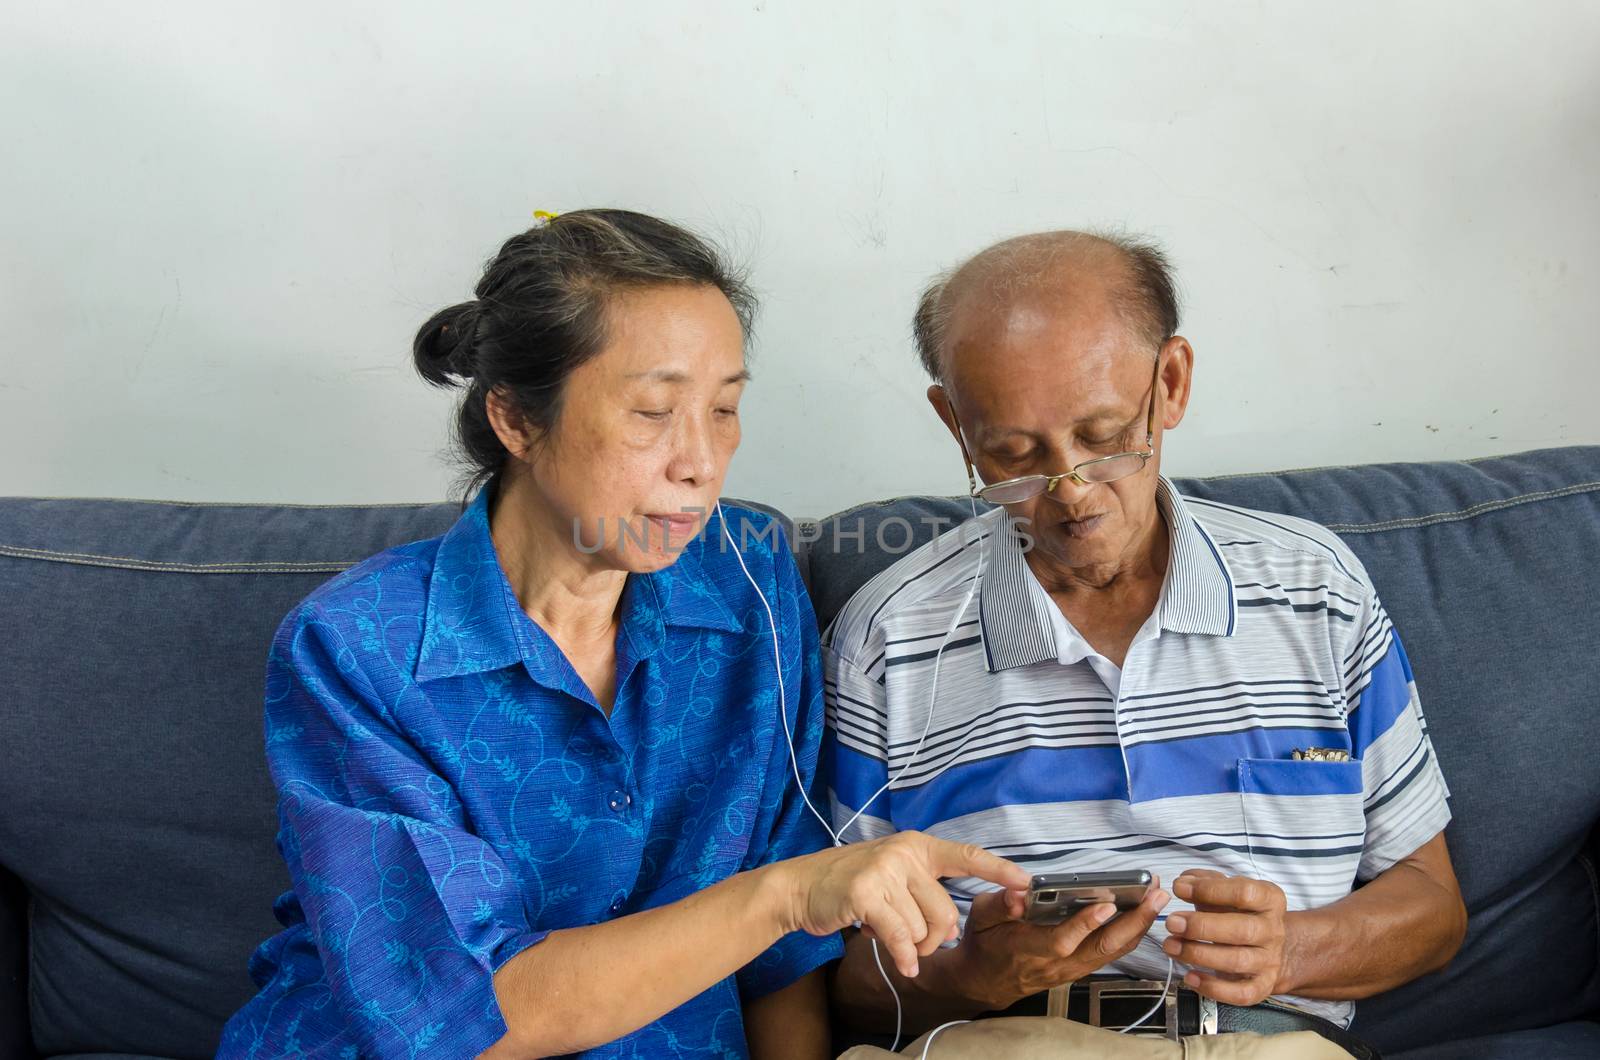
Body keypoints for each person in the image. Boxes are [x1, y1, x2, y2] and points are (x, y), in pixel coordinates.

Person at [218, 209, 1028, 1059]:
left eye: (724, 409)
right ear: (517, 421)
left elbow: (783, 960)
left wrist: (792, 906)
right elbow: (465, 1019)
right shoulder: (357, 648)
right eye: (652, 411)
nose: (701, 461)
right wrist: (785, 895)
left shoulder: (749, 585)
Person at [822, 230, 1466, 1053]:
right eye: (1013, 456)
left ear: (1170, 383)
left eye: (1103, 437)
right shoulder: (888, 637)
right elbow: (838, 986)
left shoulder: (1316, 590)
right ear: (954, 423)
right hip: (1013, 1042)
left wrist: (1292, 951)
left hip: (1267, 1040)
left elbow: (1433, 906)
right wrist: (973, 979)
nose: (1071, 495)